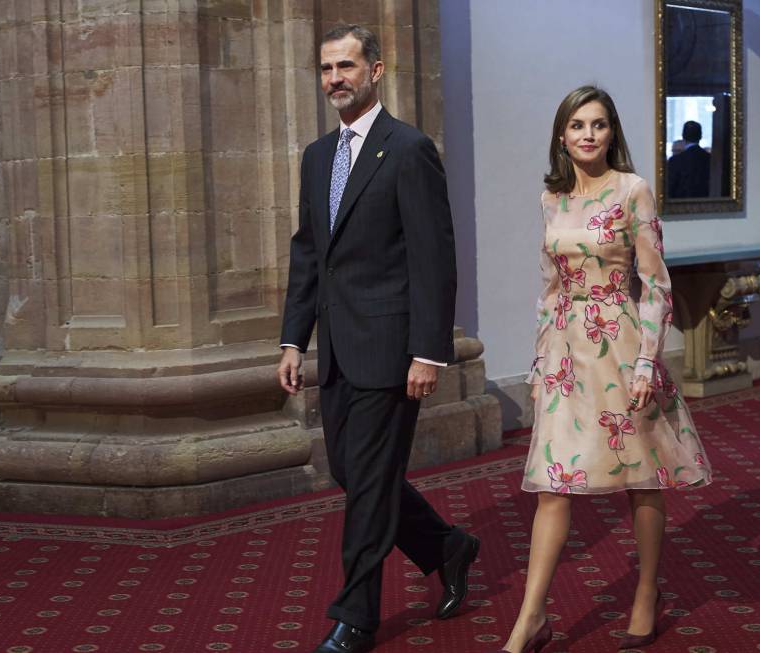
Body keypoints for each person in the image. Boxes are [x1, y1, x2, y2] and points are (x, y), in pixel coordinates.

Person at [277, 24, 480, 653]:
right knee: (351, 471)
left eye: (346, 65)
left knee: (366, 484)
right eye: (326, 68)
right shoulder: (317, 157)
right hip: (337, 347)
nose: (335, 78)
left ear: (377, 70)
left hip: (392, 348)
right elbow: (311, 255)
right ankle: (445, 546)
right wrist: (293, 340)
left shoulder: (409, 148)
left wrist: (428, 349)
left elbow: (433, 259)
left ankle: (356, 618)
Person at [493, 86, 713, 653]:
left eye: (598, 124)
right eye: (576, 125)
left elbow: (657, 284)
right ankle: (531, 618)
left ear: (611, 132)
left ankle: (645, 593)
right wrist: (539, 365)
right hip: (566, 354)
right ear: (561, 137)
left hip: (619, 347)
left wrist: (648, 362)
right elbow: (548, 289)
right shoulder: (550, 199)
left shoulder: (632, 191)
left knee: (640, 479)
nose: (588, 135)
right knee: (552, 485)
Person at [667, 120, 710, 198]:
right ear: (700, 136)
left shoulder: (675, 161)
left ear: (683, 136)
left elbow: (670, 189)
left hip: (680, 205)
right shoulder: (710, 159)